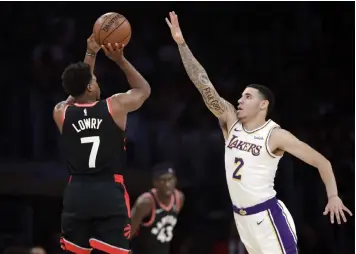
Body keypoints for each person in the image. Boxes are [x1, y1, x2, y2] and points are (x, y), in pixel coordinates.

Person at [165, 11, 352, 254]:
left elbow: (321, 161)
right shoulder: (230, 121)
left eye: (248, 96)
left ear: (263, 105)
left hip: (268, 218)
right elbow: (203, 83)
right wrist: (181, 44)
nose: (240, 100)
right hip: (242, 219)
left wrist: (334, 196)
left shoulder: (275, 135)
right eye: (241, 95)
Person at [53, 34, 151, 253]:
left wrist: (90, 54)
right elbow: (144, 91)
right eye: (94, 81)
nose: (97, 82)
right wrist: (120, 60)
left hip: (76, 193)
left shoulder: (61, 113)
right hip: (109, 192)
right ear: (89, 87)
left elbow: (74, 93)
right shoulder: (114, 106)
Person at [130, 163, 184, 254]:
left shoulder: (179, 198)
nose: (167, 184)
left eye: (170, 179)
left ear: (175, 180)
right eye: (162, 180)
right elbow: (127, 233)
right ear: (155, 182)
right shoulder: (145, 203)